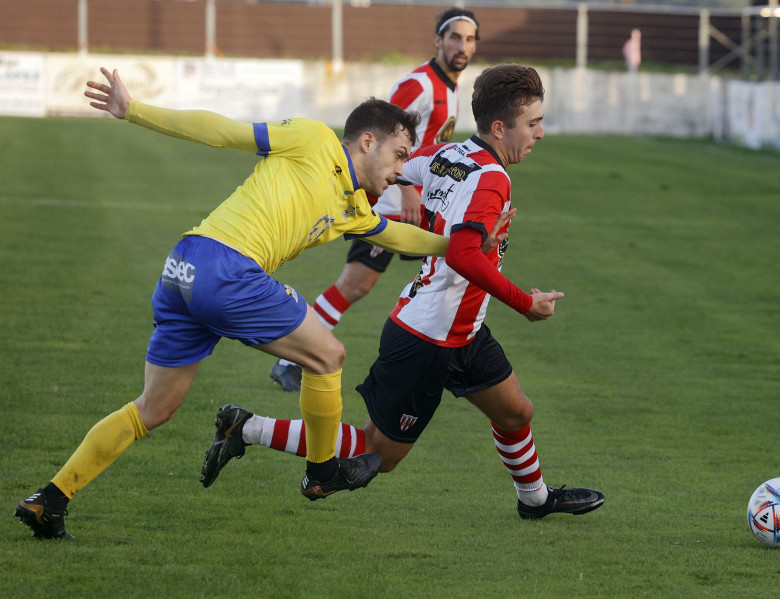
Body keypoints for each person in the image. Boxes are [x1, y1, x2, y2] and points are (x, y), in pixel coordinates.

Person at [14, 66, 458, 540]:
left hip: (183, 267)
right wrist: (134, 110)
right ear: (367, 141)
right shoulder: (312, 139)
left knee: (154, 407)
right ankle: (322, 472)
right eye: (399, 156)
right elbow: (223, 132)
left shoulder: (355, 209)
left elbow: (396, 234)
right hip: (226, 269)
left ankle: (50, 499)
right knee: (328, 356)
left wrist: (460, 245)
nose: (400, 172)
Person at [202, 64, 605, 520]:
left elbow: (395, 169)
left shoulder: (449, 153)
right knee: (379, 451)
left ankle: (535, 501)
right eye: (533, 123)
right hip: (426, 339)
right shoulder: (493, 178)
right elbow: (464, 256)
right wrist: (525, 303)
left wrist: (382, 201)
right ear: (500, 127)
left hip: (464, 331)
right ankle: (246, 427)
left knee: (515, 412)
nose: (541, 133)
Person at [270, 7, 480, 392]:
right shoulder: (420, 84)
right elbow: (387, 136)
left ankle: (442, 361)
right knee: (361, 283)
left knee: (438, 277)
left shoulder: (448, 88)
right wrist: (408, 189)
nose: (462, 45)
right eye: (454, 37)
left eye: (469, 39)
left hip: (415, 203)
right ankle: (291, 359)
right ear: (438, 40)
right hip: (392, 202)